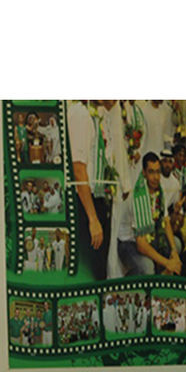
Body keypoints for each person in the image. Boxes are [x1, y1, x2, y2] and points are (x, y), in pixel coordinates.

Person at [68, 100, 119, 281]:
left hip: (98, 200)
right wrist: (93, 218)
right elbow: (78, 170)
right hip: (86, 205)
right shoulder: (81, 115)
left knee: (100, 272)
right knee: (92, 274)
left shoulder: (97, 116)